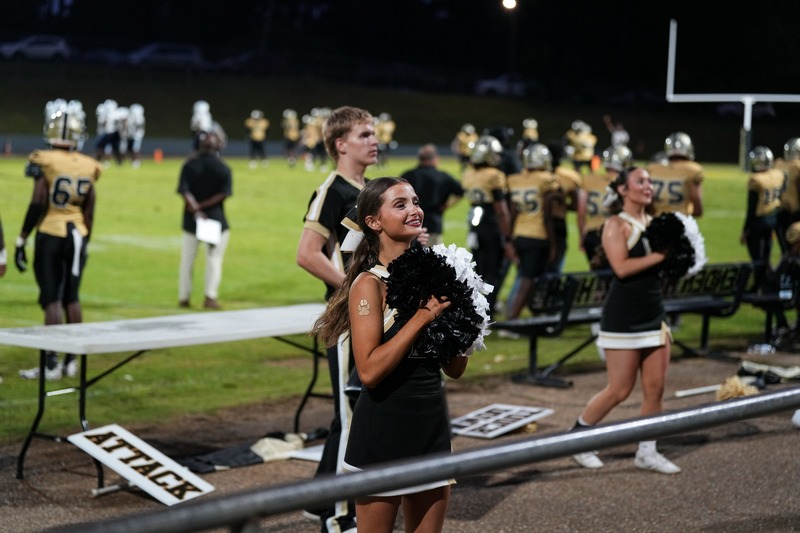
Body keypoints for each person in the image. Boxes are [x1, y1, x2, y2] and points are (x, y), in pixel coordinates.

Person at [312, 177, 468, 533]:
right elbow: (368, 371)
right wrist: (423, 317)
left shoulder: (438, 276)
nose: (414, 210)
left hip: (430, 426)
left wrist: (464, 322)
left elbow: (456, 369)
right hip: (383, 431)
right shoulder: (368, 285)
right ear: (374, 222)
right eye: (400, 204)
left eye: (415, 201)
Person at [296, 105, 377, 533]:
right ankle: (342, 517)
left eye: (374, 134)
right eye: (364, 134)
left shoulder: (367, 188)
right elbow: (307, 254)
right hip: (348, 318)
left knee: (346, 414)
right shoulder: (334, 188)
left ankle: (319, 502)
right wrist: (351, 290)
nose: (374, 140)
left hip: (366, 313)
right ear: (340, 143)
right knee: (353, 416)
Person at [571, 166, 680, 475]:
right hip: (624, 316)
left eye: (650, 182)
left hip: (654, 311)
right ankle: (578, 439)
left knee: (655, 389)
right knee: (619, 390)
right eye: (640, 181)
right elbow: (621, 267)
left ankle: (647, 451)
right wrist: (662, 256)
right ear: (623, 190)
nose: (648, 186)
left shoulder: (655, 224)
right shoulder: (615, 225)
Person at [17, 100, 103, 380]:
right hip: (77, 234)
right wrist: (85, 238)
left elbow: (38, 201)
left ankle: (51, 363)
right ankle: (70, 362)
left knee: (52, 298)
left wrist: (22, 238)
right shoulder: (89, 165)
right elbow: (90, 206)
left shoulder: (44, 159)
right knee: (72, 298)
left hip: (51, 232)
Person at [177, 130, 232, 310]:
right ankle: (210, 297)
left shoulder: (189, 165)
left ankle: (184, 297)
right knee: (214, 259)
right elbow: (224, 193)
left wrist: (195, 207)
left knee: (187, 259)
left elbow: (184, 190)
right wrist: (203, 207)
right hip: (214, 219)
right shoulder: (222, 167)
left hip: (192, 219)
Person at [461, 134, 514, 319]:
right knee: (494, 270)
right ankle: (486, 310)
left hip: (475, 224)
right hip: (492, 224)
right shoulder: (495, 175)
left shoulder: (469, 174)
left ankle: (475, 307)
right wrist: (508, 238)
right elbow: (501, 210)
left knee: (479, 269)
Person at [505, 143, 560, 319]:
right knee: (528, 279)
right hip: (537, 235)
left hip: (519, 234)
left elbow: (512, 214)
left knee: (529, 277)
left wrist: (510, 239)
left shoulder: (515, 179)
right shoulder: (546, 179)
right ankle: (512, 319)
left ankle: (533, 313)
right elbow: (546, 215)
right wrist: (553, 244)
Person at [578, 145, 633, 267]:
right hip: (615, 235)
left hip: (592, 234)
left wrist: (582, 236)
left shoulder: (589, 179)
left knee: (599, 277)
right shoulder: (626, 183)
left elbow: (581, 211)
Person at [401, 143, 464, 247]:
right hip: (433, 224)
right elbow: (460, 192)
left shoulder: (408, 175)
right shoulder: (443, 177)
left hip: (409, 224)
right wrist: (446, 206)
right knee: (431, 260)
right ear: (435, 158)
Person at [740, 146, 785, 269]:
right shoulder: (778, 175)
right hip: (774, 218)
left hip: (759, 221)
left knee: (758, 259)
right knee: (766, 256)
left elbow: (752, 208)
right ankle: (768, 280)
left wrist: (745, 230)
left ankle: (761, 282)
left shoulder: (756, 180)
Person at [645, 131, 704, 217]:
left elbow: (648, 203)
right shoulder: (693, 169)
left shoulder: (653, 168)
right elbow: (697, 208)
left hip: (656, 222)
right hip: (682, 222)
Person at [775, 137, 800, 253]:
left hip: (779, 208)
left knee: (785, 248)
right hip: (794, 210)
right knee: (794, 247)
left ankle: (787, 269)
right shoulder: (796, 167)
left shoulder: (779, 164)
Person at [126, 103, 145, 168]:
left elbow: (138, 127)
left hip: (137, 136)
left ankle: (136, 161)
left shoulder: (140, 118)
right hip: (131, 135)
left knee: (135, 149)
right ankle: (134, 160)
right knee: (131, 149)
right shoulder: (131, 118)